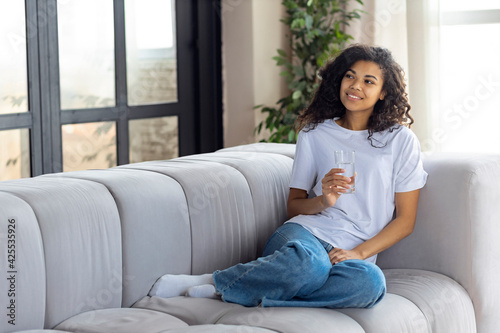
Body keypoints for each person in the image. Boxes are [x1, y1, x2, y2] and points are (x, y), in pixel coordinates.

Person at [150, 44, 428, 309]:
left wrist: (359, 253)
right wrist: (323, 200)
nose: (355, 86)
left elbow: (405, 221)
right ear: (339, 81)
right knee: (309, 266)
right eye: (350, 77)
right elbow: (294, 206)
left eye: (369, 81)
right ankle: (216, 281)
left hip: (350, 254)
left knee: (370, 285)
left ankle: (238, 289)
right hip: (305, 236)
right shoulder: (314, 134)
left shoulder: (400, 141)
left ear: (383, 92)